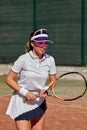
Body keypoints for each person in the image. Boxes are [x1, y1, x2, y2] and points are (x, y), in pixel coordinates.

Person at [6, 28, 56, 130]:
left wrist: (46, 88)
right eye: (40, 43)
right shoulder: (23, 59)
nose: (44, 46)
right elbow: (9, 79)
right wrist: (25, 93)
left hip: (39, 102)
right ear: (32, 43)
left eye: (46, 43)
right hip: (21, 101)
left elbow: (53, 80)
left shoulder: (50, 60)